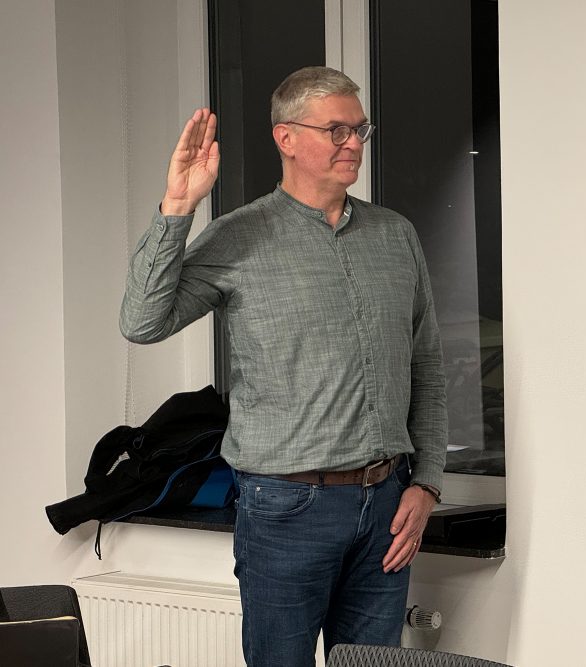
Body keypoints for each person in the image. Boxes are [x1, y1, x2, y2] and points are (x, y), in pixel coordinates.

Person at [119, 66, 447, 667]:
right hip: (286, 508)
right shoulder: (237, 237)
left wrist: (425, 484)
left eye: (360, 129)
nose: (354, 144)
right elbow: (143, 321)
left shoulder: (395, 236)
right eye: (337, 130)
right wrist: (177, 207)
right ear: (286, 137)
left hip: (388, 506)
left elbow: (427, 368)